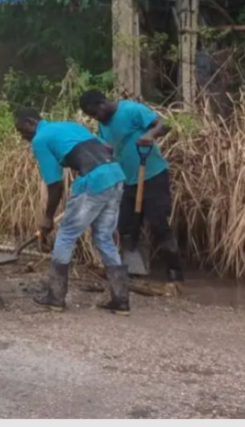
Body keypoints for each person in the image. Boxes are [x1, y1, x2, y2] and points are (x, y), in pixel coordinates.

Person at [14, 108, 130, 315]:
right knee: (104, 237)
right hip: (116, 175)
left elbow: (55, 184)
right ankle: (121, 300)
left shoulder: (40, 139)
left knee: (66, 235)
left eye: (22, 130)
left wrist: (47, 218)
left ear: (32, 122)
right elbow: (107, 148)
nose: (23, 136)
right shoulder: (68, 126)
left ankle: (55, 297)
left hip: (94, 180)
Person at [78, 91, 182, 282]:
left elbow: (163, 125)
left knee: (159, 224)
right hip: (127, 181)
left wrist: (150, 134)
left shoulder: (131, 109)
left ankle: (175, 272)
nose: (95, 118)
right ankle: (135, 270)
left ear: (101, 104)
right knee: (126, 227)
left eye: (94, 114)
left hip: (152, 175)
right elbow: (110, 148)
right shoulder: (103, 125)